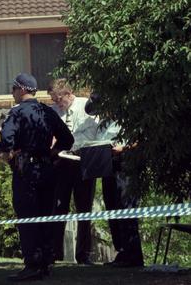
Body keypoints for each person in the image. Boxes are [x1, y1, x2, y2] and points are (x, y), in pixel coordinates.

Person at [0, 73, 74, 282]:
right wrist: (51, 153)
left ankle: (32, 264)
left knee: (28, 216)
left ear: (21, 90)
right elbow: (67, 139)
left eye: (14, 89)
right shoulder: (47, 111)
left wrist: (11, 154)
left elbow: (6, 141)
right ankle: (46, 262)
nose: (12, 93)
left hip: (27, 171)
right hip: (47, 168)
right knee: (46, 216)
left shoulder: (17, 112)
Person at [84, 94, 144, 267]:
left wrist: (123, 148)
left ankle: (133, 255)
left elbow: (139, 140)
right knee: (112, 208)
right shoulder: (103, 124)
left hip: (125, 167)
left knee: (126, 210)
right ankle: (122, 252)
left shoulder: (126, 119)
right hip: (108, 168)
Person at [47, 79, 97, 265]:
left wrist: (70, 144)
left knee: (84, 208)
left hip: (82, 163)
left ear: (69, 93)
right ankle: (54, 252)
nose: (58, 103)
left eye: (59, 99)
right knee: (59, 207)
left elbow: (90, 135)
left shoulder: (86, 106)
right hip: (61, 164)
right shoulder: (53, 111)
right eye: (54, 99)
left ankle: (83, 254)